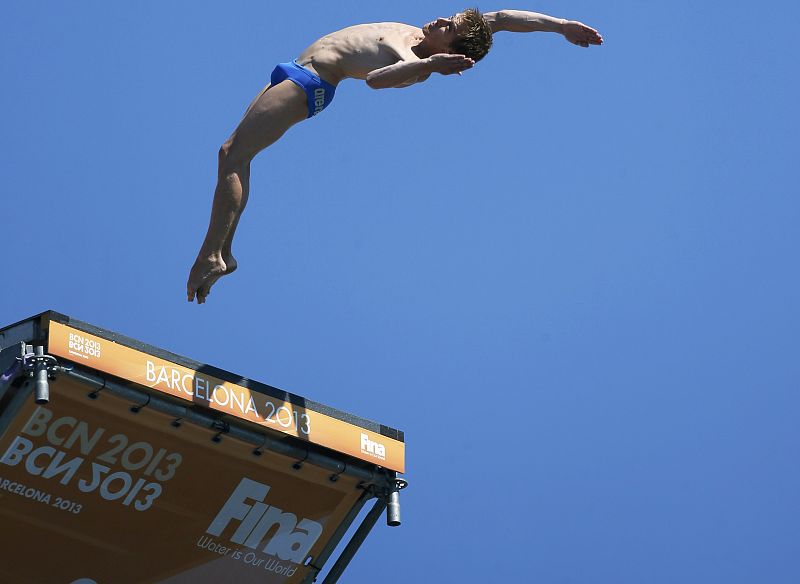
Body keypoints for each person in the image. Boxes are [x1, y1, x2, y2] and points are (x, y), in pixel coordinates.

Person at [187, 8, 603, 303]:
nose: (440, 19)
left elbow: (375, 80)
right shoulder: (432, 34)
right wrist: (560, 25)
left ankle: (212, 254)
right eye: (449, 16)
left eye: (448, 26)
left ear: (449, 45)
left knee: (234, 154)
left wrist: (433, 64)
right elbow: (503, 20)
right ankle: (225, 253)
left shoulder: (415, 62)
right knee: (231, 155)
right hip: (295, 67)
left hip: (309, 82)